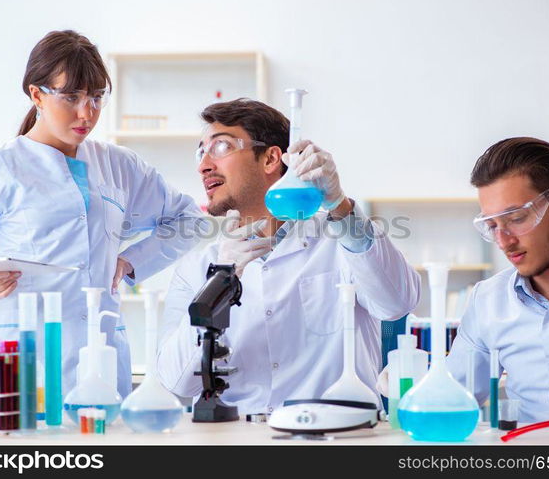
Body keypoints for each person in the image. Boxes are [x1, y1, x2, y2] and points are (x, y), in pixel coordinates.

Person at [0, 30, 203, 398]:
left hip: (101, 354)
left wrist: (130, 261)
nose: (88, 113)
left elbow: (190, 220)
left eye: (97, 97)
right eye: (71, 97)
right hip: (23, 355)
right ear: (37, 94)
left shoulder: (119, 165)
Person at [156, 98, 421, 415]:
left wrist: (339, 205)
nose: (203, 165)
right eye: (201, 152)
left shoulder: (338, 240)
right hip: (240, 440)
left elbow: (397, 303)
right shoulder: (198, 268)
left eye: (221, 147)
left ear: (270, 159)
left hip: (335, 434)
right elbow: (177, 382)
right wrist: (219, 284)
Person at [378, 137, 549, 423]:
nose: (504, 241)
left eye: (516, 218)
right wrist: (415, 381)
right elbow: (454, 394)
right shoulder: (489, 299)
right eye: (491, 225)